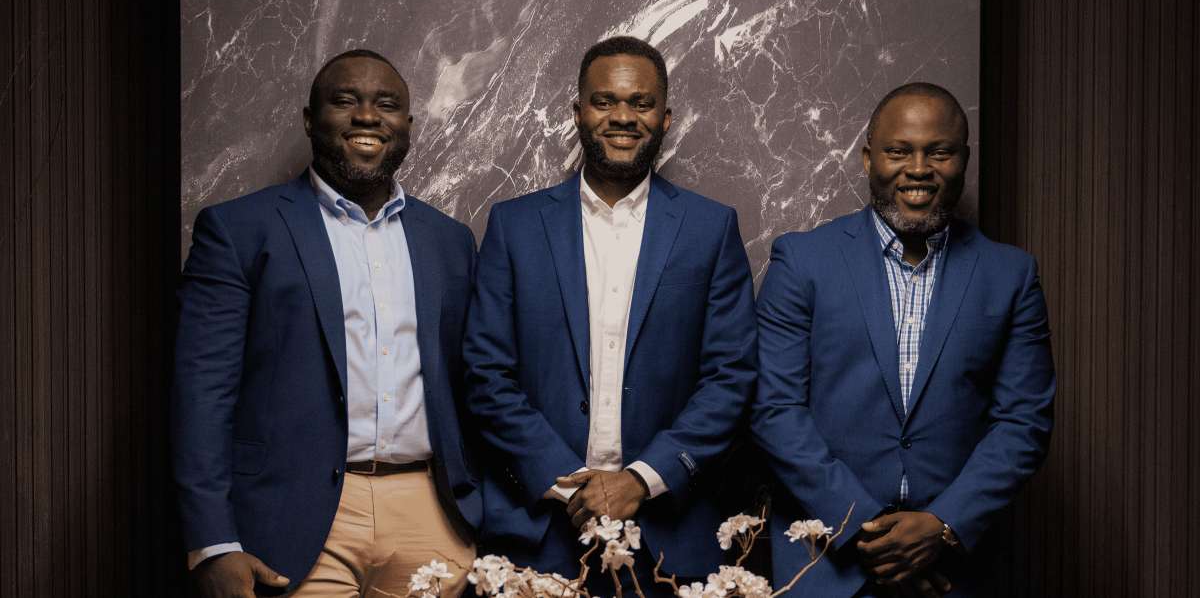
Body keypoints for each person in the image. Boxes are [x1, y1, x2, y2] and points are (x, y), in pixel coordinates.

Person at [173, 49, 479, 597]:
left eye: (387, 105)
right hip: (296, 518)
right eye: (345, 101)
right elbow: (202, 392)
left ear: (408, 125)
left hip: (431, 515)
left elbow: (475, 383)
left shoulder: (449, 241)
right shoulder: (240, 230)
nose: (367, 116)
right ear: (310, 119)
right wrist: (213, 542)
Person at [463, 36, 757, 592]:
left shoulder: (710, 228)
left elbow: (731, 376)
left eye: (641, 103)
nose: (623, 116)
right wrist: (572, 485)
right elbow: (486, 373)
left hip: (670, 535)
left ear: (666, 118)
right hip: (539, 531)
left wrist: (642, 480)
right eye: (604, 101)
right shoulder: (515, 226)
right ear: (578, 112)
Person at [752, 83, 1055, 597]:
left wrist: (942, 526)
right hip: (825, 565)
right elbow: (773, 410)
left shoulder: (1010, 275)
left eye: (939, 152)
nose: (918, 169)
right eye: (898, 151)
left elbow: (1023, 423)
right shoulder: (803, 262)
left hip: (952, 571)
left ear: (963, 160)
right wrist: (866, 530)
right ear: (868, 158)